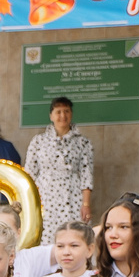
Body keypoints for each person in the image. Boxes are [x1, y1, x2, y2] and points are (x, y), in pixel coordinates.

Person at [24, 97, 96, 231]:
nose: (63, 115)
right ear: (51, 116)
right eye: (58, 112)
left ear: (71, 114)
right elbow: (29, 173)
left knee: (73, 233)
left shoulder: (83, 142)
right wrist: (28, 201)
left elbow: (87, 175)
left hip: (72, 196)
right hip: (45, 195)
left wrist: (86, 204)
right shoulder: (38, 141)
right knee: (44, 235)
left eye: (66, 111)